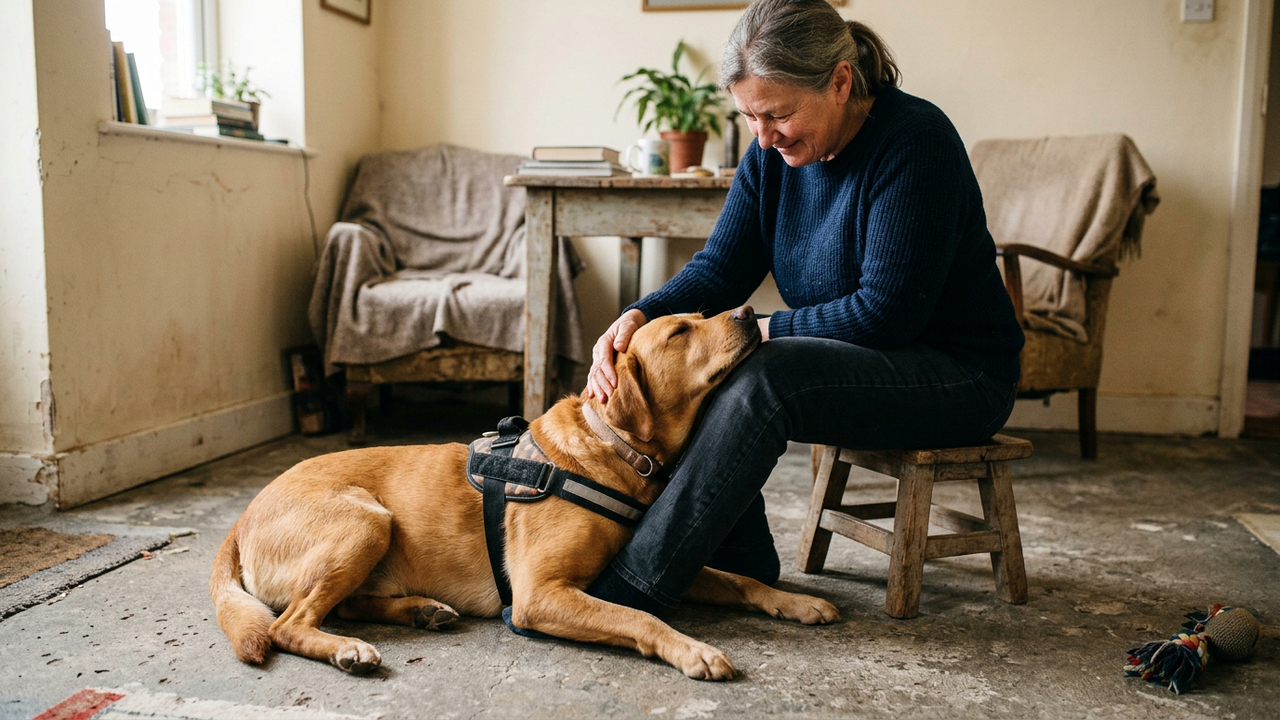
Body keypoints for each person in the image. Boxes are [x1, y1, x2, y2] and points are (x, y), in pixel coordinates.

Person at [579, 0, 1025, 615]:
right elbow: (720, 267)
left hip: (961, 374)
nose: (762, 137)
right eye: (750, 117)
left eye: (780, 114)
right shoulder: (771, 154)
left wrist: (753, 332)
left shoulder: (916, 141)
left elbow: (884, 314)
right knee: (721, 363)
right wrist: (637, 314)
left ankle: (636, 584)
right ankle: (740, 568)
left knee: (761, 371)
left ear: (840, 81)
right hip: (870, 363)